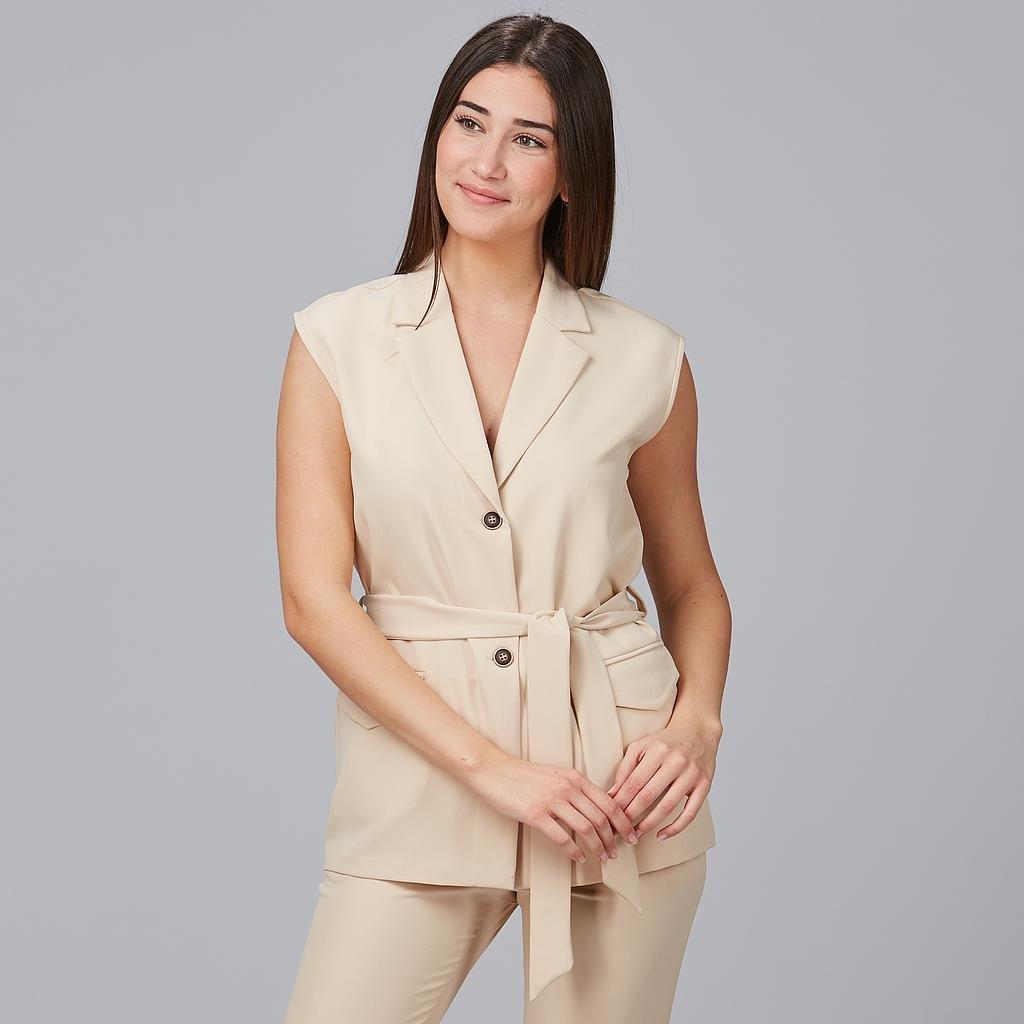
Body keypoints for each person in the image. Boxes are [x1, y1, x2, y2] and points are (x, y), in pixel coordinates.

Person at [275, 12, 731, 1024]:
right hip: (422, 770)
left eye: (528, 138)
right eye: (469, 123)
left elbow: (693, 584)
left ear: (571, 174)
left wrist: (696, 726)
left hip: (617, 783)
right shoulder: (336, 339)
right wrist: (498, 771)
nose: (485, 162)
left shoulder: (645, 356)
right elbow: (313, 602)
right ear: (437, 134)